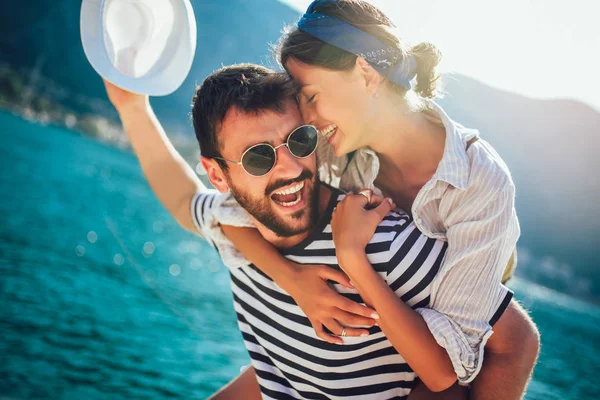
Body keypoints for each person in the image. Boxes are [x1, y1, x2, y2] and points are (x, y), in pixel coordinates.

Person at [103, 63, 538, 399]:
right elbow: (181, 198)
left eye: (299, 142)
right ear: (218, 176)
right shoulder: (232, 223)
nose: (290, 169)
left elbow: (515, 342)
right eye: (257, 158)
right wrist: (131, 107)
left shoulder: (378, 242)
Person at [191, 1, 534, 398]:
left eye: (312, 96)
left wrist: (351, 255)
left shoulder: (480, 184)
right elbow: (240, 204)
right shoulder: (337, 144)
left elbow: (459, 360)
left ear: (366, 73)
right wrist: (293, 280)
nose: (309, 122)